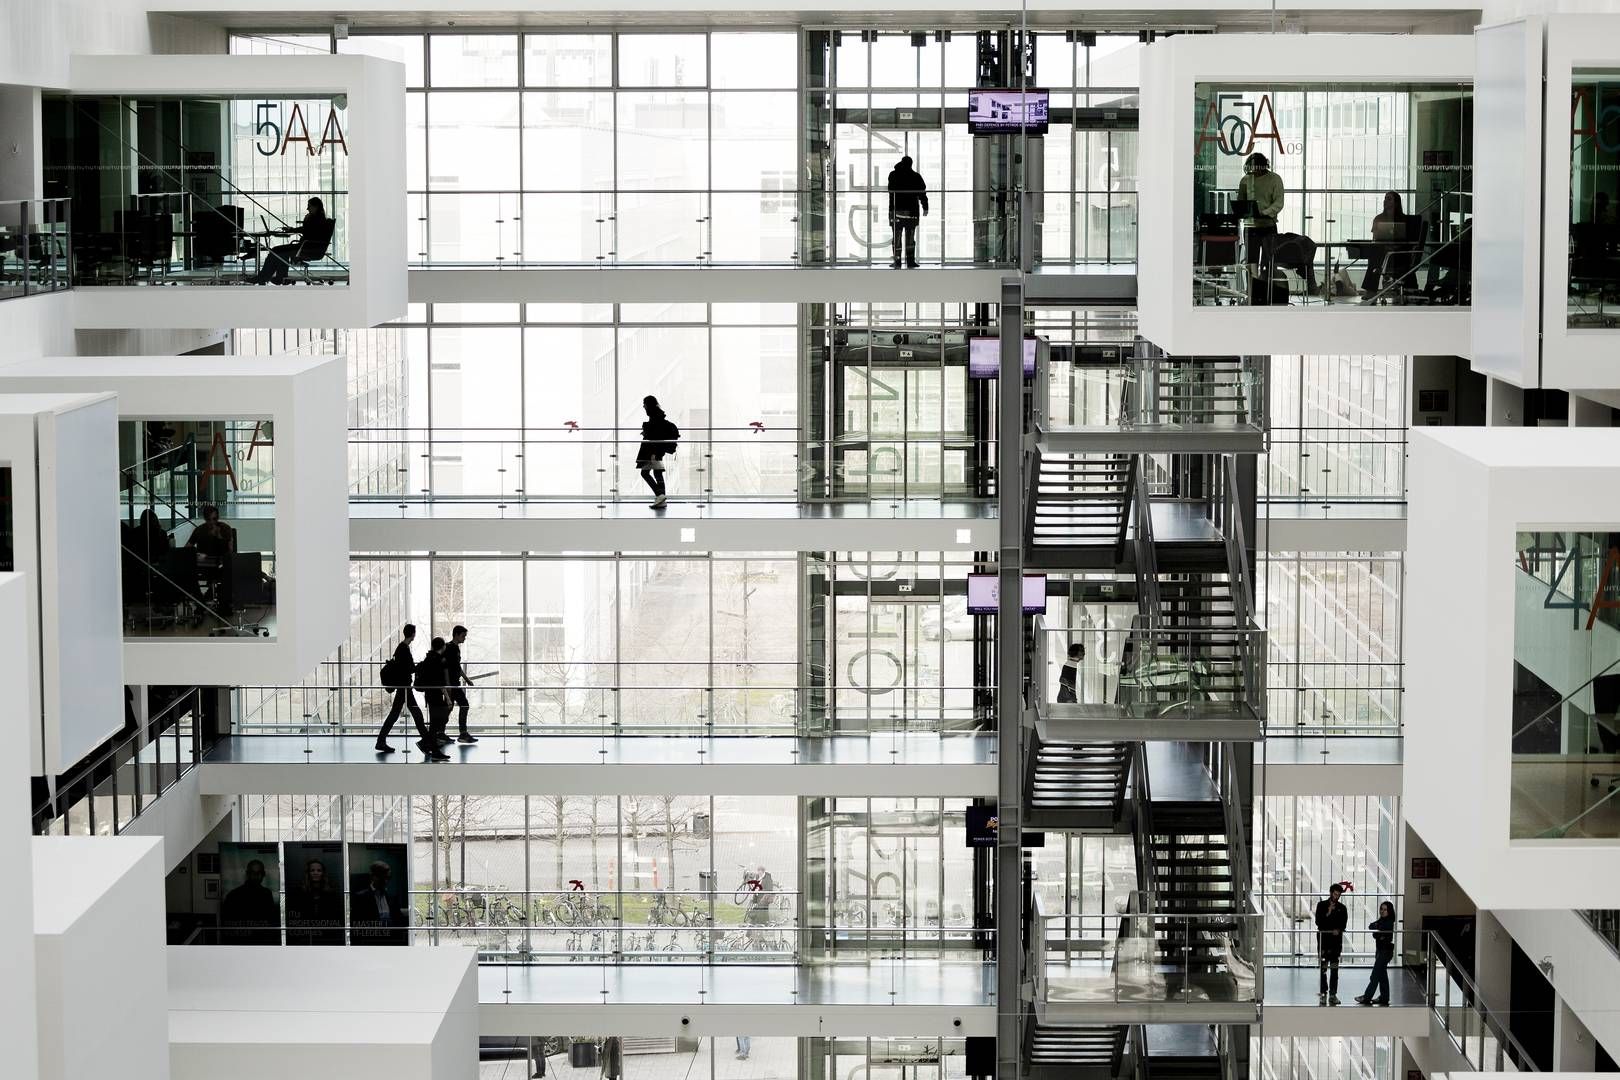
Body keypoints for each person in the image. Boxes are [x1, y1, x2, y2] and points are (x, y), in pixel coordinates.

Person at [376, 623, 429, 753]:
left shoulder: (401, 648)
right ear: (413, 634)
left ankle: (381, 741)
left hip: (403, 687)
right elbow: (409, 668)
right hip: (404, 687)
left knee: (398, 714)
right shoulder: (404, 649)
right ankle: (427, 742)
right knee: (415, 714)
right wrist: (422, 665)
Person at [255, 195, 329, 284]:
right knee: (279, 251)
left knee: (277, 251)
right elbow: (307, 230)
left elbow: (306, 231)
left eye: (309, 206)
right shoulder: (319, 218)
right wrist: (292, 229)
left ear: (315, 206)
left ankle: (266, 277)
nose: (307, 208)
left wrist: (304, 221)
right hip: (308, 246)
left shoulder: (317, 219)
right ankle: (278, 278)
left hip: (308, 248)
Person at [1237, 152, 1284, 276]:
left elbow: (1278, 203)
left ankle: (1266, 291)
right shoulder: (1246, 180)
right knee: (1251, 262)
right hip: (1251, 226)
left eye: (1256, 168)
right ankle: (1252, 292)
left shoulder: (1274, 179)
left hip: (1268, 225)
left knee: (1268, 262)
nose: (1254, 172)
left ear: (1263, 166)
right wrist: (1243, 211)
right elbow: (1241, 201)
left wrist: (1264, 213)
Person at [186, 504, 237, 616]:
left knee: (228, 569)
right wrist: (195, 554)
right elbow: (187, 547)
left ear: (217, 518)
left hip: (220, 563)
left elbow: (230, 551)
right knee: (188, 572)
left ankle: (224, 605)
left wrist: (219, 536)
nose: (212, 522)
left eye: (214, 519)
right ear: (205, 519)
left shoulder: (225, 528)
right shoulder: (199, 530)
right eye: (209, 520)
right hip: (204, 563)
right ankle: (200, 603)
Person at [1360, 191, 1410, 298]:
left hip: (1399, 253)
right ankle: (1371, 291)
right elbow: (1375, 238)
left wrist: (1394, 246)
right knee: (1375, 253)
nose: (1385, 201)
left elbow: (1408, 241)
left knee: (1376, 256)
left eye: (1389, 198)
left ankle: (1371, 291)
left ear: (1396, 203)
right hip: (1382, 252)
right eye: (1385, 198)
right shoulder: (1378, 218)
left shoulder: (1404, 219)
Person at [286, 856, 344, 946]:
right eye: (312, 870)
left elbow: (337, 919)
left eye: (319, 870)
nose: (315, 873)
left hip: (327, 938)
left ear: (323, 873)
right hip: (304, 937)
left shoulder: (331, 894)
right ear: (308, 873)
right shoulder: (298, 893)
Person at [220, 858, 280, 945]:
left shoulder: (266, 894)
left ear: (263, 874)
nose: (256, 876)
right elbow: (228, 924)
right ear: (248, 874)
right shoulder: (234, 895)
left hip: (259, 941)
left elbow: (271, 920)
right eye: (253, 873)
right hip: (244, 941)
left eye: (259, 873)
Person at [635, 395, 680, 508]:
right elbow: (656, 431)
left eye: (644, 404)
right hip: (657, 449)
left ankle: (660, 495)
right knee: (657, 473)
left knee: (645, 473)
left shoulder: (654, 416)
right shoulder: (657, 414)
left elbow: (655, 434)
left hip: (652, 450)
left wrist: (653, 453)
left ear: (648, 404)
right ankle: (662, 500)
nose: (643, 406)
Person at [351, 860, 408, 945]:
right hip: (371, 942)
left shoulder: (392, 896)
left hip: (391, 941)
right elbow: (356, 925)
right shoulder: (360, 898)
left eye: (388, 878)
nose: (386, 881)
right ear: (373, 877)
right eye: (382, 878)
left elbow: (398, 920)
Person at [887, 155, 929, 268]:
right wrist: (925, 207)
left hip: (896, 211)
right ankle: (910, 261)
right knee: (910, 238)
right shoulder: (916, 176)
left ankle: (897, 261)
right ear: (911, 164)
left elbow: (891, 191)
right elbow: (922, 193)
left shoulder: (893, 175)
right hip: (912, 212)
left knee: (897, 238)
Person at [414, 637, 453, 760]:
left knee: (435, 723)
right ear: (443, 647)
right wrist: (448, 698)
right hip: (436, 695)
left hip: (429, 694)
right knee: (439, 720)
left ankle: (428, 746)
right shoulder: (438, 660)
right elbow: (440, 682)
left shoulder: (429, 657)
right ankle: (429, 747)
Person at [1314, 881, 1350, 1004]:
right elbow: (1318, 922)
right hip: (1324, 941)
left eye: (1338, 895)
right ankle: (1324, 992)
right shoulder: (1321, 905)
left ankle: (1333, 994)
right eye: (1335, 894)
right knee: (1323, 969)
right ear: (1330, 893)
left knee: (1334, 969)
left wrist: (1338, 930)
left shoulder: (1342, 908)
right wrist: (1328, 912)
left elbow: (1343, 924)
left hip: (1335, 943)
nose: (1336, 897)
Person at [1356, 901, 1397, 1006]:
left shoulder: (1389, 921)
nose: (1382, 911)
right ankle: (1384, 997)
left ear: (1389, 911)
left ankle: (1367, 997)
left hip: (1385, 951)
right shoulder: (1382, 920)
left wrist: (1378, 931)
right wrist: (1378, 932)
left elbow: (1377, 934)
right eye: (1381, 909)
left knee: (1375, 975)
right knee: (1382, 975)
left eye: (1385, 909)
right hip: (1380, 951)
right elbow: (1371, 926)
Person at [444, 624, 478, 744]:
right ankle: (461, 733)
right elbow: (447, 668)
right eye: (463, 636)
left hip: (453, 683)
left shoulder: (454, 648)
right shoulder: (450, 648)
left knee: (449, 708)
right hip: (451, 684)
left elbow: (457, 667)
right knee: (463, 705)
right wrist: (448, 687)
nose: (464, 638)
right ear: (457, 635)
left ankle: (440, 732)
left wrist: (467, 680)